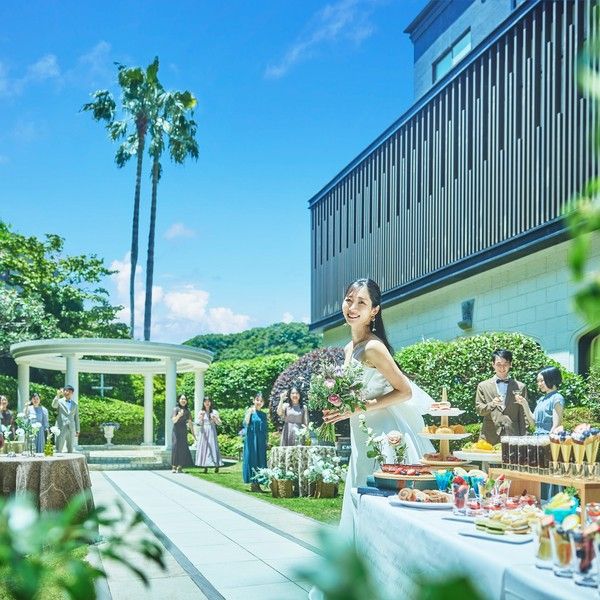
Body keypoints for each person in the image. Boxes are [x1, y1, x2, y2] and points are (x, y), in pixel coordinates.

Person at [322, 278, 434, 537]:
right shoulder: (349, 348)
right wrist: (339, 406)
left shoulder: (373, 347)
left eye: (361, 302)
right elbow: (357, 394)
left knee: (381, 510)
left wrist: (356, 408)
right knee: (361, 501)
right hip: (362, 434)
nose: (352, 307)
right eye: (349, 300)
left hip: (384, 436)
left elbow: (404, 391)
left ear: (374, 310)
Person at [475, 349, 528, 445]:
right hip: (489, 436)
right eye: (499, 364)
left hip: (513, 436)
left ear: (510, 364)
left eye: (505, 364)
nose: (502, 367)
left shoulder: (520, 387)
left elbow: (523, 414)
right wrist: (492, 404)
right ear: (493, 364)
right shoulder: (483, 386)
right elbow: (479, 410)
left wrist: (525, 437)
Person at [516, 366, 564, 434]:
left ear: (551, 379)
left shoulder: (557, 398)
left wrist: (548, 439)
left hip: (548, 438)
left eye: (542, 381)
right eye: (538, 381)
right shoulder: (541, 400)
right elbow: (533, 423)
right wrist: (524, 404)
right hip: (537, 437)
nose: (539, 384)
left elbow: (556, 426)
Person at [242, 393, 268, 491]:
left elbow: (265, 429)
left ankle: (258, 482)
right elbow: (245, 423)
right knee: (252, 459)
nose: (259, 402)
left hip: (261, 440)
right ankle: (253, 483)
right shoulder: (250, 411)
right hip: (251, 439)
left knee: (260, 459)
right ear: (254, 401)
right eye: (257, 400)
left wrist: (266, 441)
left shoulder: (264, 415)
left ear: (263, 403)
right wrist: (249, 412)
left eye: (261, 401)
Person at [194, 396, 224, 472]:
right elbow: (198, 423)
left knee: (213, 446)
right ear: (203, 403)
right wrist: (201, 417)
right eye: (205, 401)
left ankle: (216, 464)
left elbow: (219, 423)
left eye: (208, 401)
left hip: (211, 430)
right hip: (203, 431)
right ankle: (205, 466)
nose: (207, 403)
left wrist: (215, 418)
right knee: (204, 447)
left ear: (211, 402)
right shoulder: (201, 412)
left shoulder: (214, 412)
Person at [52, 385, 80, 453]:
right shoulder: (59, 401)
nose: (67, 392)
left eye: (69, 391)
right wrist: (58, 395)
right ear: (63, 392)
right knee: (59, 447)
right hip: (61, 427)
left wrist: (78, 430)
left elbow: (76, 418)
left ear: (72, 393)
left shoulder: (75, 404)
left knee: (70, 448)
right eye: (66, 391)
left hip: (71, 428)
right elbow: (54, 406)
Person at [171, 394, 195, 473]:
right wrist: (179, 415)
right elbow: (174, 421)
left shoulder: (187, 410)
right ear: (178, 400)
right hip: (176, 430)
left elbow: (190, 423)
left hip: (183, 430)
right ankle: (174, 466)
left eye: (185, 399)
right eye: (182, 399)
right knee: (175, 446)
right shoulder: (175, 409)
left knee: (182, 448)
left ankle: (180, 467)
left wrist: (194, 434)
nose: (183, 400)